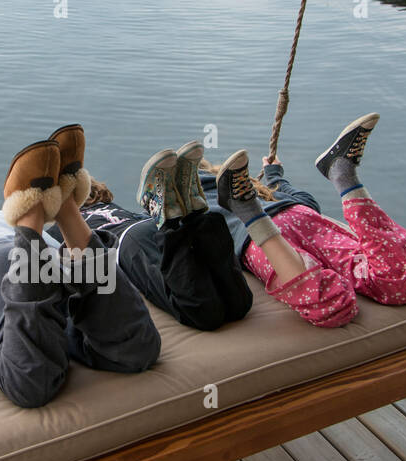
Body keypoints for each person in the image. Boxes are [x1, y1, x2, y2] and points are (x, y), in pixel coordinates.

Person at [0, 124, 161, 408]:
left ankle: (29, 219)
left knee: (31, 382)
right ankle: (67, 211)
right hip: (44, 256)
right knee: (136, 349)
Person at [209, 113, 406, 327]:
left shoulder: (194, 203)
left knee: (332, 307)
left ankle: (249, 212)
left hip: (256, 239)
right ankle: (342, 173)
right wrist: (275, 176)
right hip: (301, 218)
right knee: (402, 283)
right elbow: (308, 202)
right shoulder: (257, 188)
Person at [44, 140, 253, 331]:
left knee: (204, 313)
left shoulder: (60, 226)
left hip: (128, 244)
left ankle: (176, 218)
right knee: (239, 304)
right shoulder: (108, 204)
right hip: (148, 224)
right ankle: (192, 212)